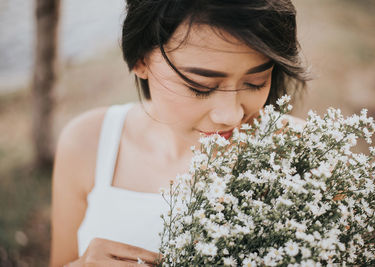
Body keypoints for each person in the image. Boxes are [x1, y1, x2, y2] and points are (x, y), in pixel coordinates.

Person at [50, 0, 310, 266]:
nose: (231, 115)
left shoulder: (304, 153)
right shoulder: (88, 144)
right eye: (201, 86)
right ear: (141, 60)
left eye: (255, 82)